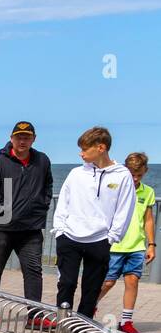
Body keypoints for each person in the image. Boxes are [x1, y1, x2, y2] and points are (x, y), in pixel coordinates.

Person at [52, 126, 134, 320]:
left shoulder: (122, 175)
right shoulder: (76, 173)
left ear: (101, 148)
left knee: (91, 289)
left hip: (100, 240)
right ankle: (63, 326)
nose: (80, 154)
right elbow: (63, 202)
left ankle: (82, 331)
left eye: (84, 149)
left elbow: (125, 209)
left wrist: (112, 237)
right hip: (70, 237)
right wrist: (59, 231)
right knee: (67, 283)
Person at [0, 121, 54, 327]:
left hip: (30, 229)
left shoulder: (42, 160)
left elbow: (48, 186)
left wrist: (42, 206)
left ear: (33, 139)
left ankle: (34, 316)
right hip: (2, 228)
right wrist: (3, 210)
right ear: (11, 138)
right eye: (19, 137)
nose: (22, 141)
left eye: (27, 137)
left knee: (33, 272)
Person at [100, 152, 155, 333]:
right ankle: (87, 310)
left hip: (136, 246)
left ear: (145, 171)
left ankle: (126, 322)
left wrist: (151, 244)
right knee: (107, 282)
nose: (135, 178)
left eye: (139, 175)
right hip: (114, 246)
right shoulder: (116, 188)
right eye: (132, 174)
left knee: (132, 281)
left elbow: (148, 220)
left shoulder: (148, 192)